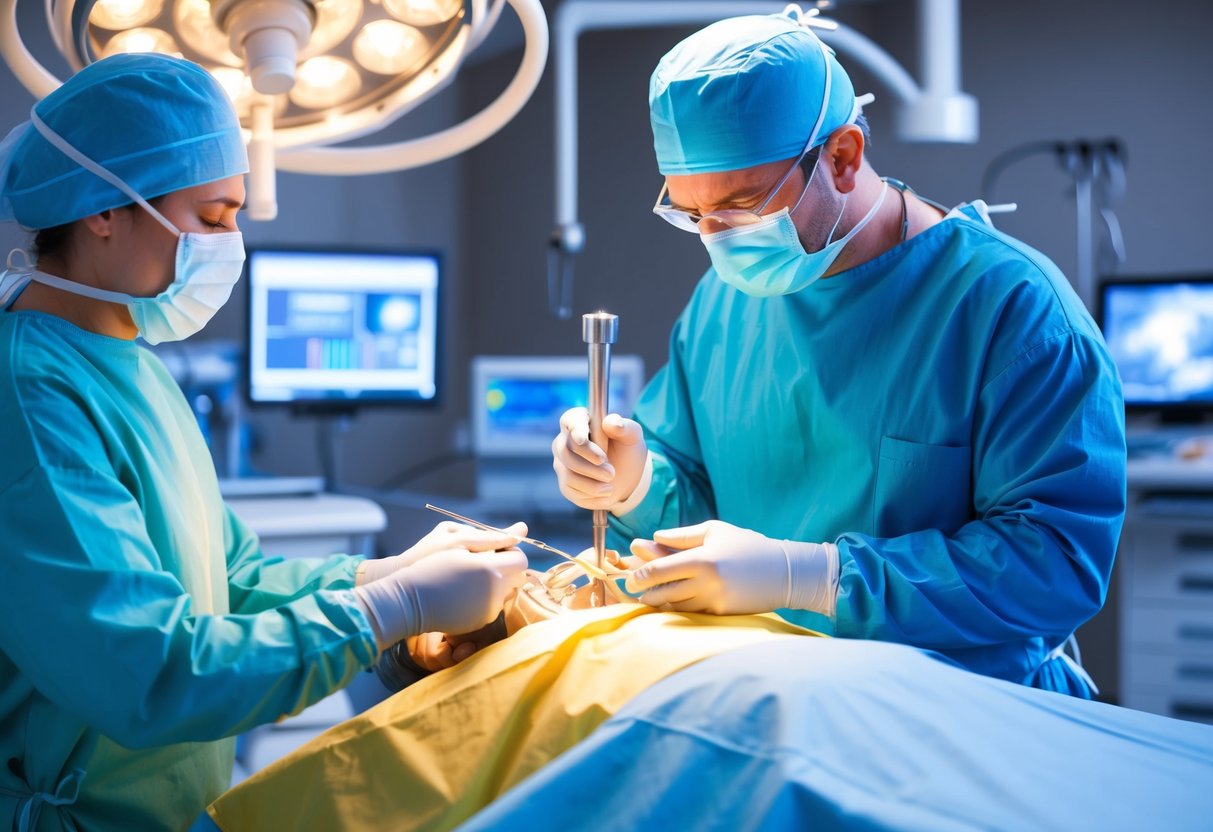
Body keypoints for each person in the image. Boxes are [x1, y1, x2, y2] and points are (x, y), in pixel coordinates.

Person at [0, 53, 527, 830]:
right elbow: (150, 673)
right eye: (211, 217)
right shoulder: (30, 394)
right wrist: (389, 610)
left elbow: (233, 578)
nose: (231, 242)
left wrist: (382, 571)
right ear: (102, 210)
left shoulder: (135, 368)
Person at [552, 8, 1126, 697]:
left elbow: (1055, 567)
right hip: (767, 693)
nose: (717, 238)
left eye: (739, 208)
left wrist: (813, 577)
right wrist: (636, 484)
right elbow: (703, 514)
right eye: (690, 213)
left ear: (843, 156)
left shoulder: (1011, 309)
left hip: (963, 709)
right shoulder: (724, 301)